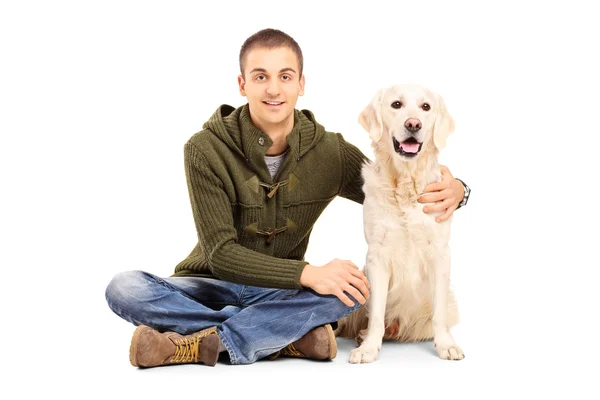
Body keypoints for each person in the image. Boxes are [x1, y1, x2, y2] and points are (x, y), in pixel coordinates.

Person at [105, 28, 471, 368]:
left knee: (354, 290)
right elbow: (221, 252)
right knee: (124, 288)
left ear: (301, 84)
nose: (274, 90)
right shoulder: (204, 149)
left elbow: (389, 189)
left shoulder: (329, 150)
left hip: (282, 292)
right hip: (210, 284)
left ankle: (195, 342)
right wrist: (307, 273)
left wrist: (458, 189)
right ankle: (280, 337)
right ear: (242, 84)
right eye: (260, 76)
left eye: (285, 76)